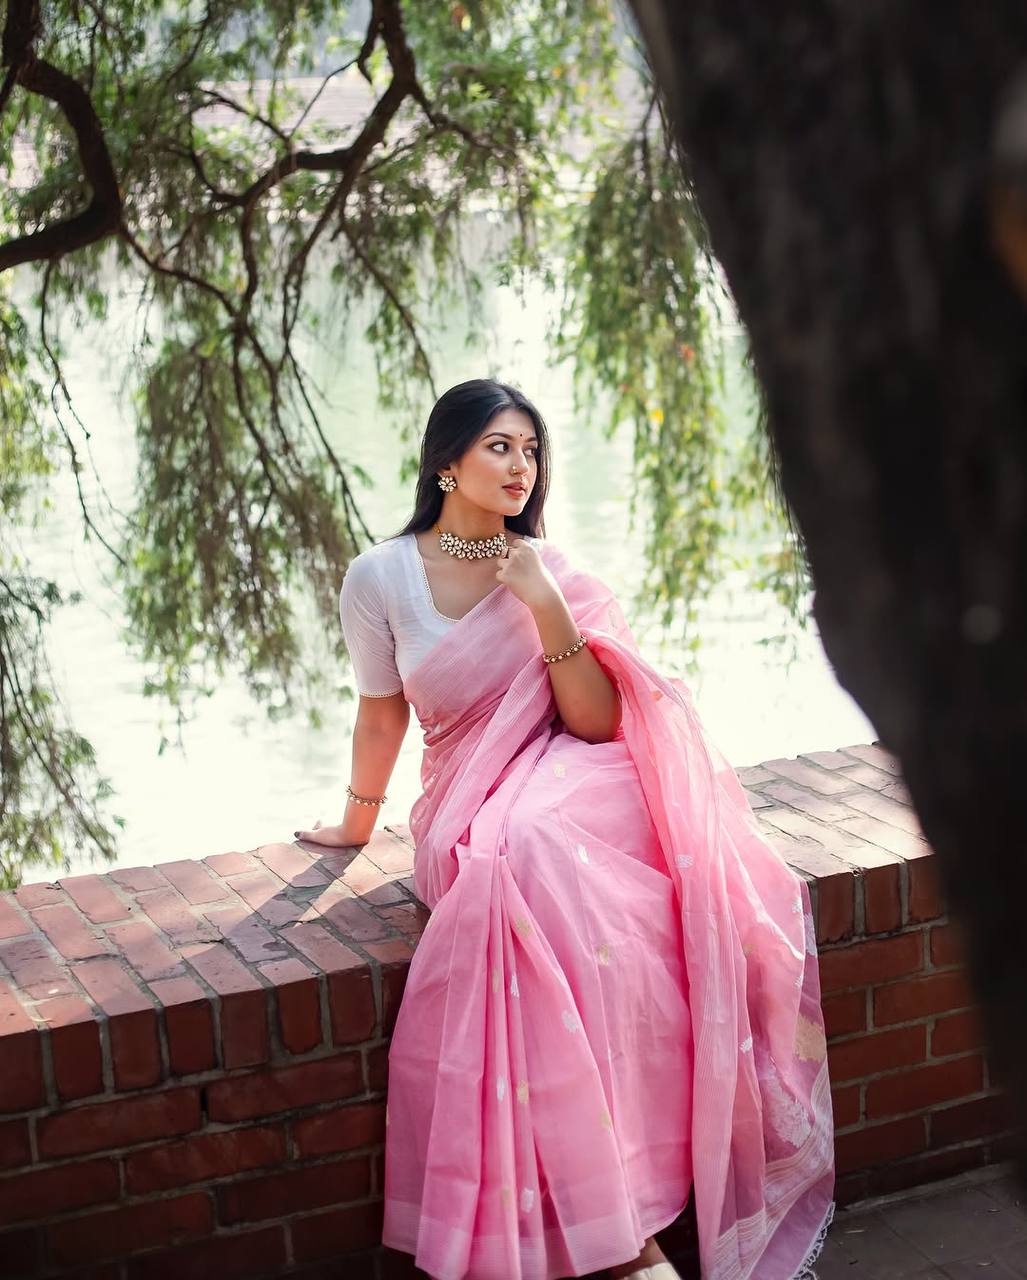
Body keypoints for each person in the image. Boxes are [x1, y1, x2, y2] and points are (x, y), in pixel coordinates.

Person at [294, 379, 836, 1280]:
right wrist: (356, 824)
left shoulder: (554, 570)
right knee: (526, 858)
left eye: (531, 450)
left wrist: (542, 601)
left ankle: (622, 1216)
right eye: (499, 447)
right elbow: (382, 713)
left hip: (571, 774)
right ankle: (617, 1235)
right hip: (463, 800)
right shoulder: (380, 578)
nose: (519, 466)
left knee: (561, 856)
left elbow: (592, 722)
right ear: (445, 463)